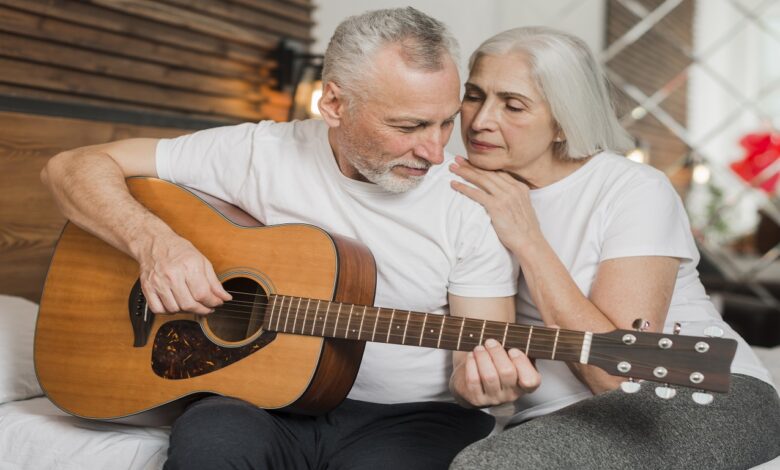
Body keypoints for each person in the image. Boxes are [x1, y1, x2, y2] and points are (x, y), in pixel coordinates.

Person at [40, 8, 537, 470]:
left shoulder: (470, 200)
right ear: (334, 104)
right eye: (408, 126)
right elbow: (71, 167)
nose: (434, 150)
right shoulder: (258, 151)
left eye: (446, 121)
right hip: (257, 403)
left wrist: (482, 386)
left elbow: (482, 351)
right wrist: (156, 244)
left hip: (411, 418)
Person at [447, 26, 780, 469]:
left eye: (513, 105)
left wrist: (528, 239)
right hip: (556, 418)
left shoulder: (632, 188)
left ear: (563, 120)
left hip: (705, 392)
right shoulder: (460, 189)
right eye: (473, 95)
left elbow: (617, 376)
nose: (481, 120)